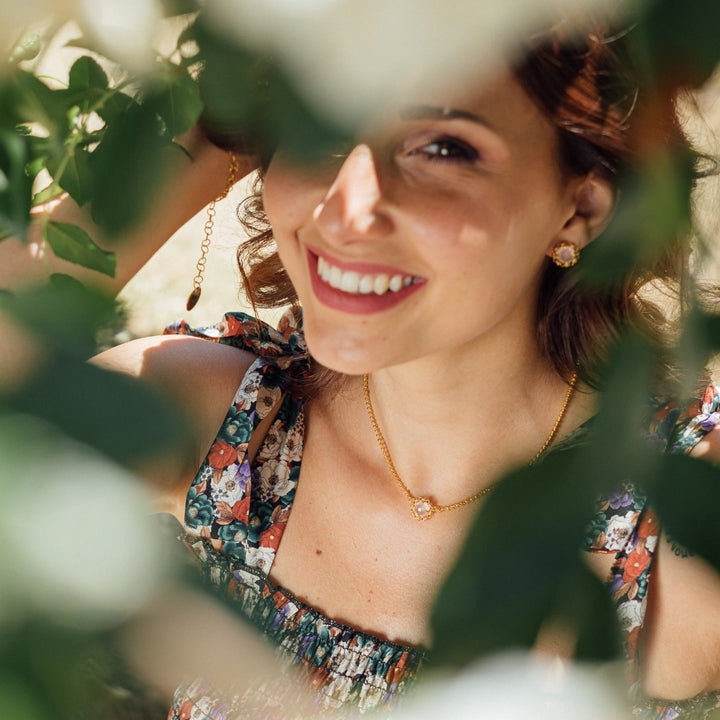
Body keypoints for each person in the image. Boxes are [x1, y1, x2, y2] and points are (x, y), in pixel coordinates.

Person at [4, 12, 720, 720]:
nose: (347, 211)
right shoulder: (237, 428)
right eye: (316, 133)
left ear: (583, 207)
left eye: (442, 147)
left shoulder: (676, 528)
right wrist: (211, 128)